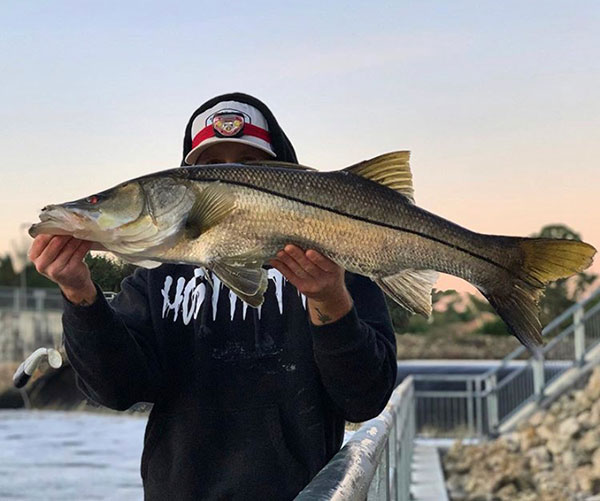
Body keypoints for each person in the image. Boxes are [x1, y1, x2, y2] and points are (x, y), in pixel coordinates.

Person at [29, 92, 398, 500]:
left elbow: (365, 399)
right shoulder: (154, 279)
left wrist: (331, 301)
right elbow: (116, 390)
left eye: (249, 165)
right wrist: (80, 293)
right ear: (181, 185)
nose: (230, 179)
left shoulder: (336, 265)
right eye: (210, 168)